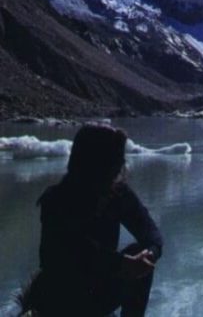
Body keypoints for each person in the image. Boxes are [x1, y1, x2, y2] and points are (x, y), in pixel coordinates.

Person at [22, 124, 162, 316]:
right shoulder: (57, 200)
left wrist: (149, 254)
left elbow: (150, 232)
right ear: (97, 162)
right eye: (115, 161)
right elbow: (72, 254)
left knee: (140, 254)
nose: (121, 166)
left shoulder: (118, 194)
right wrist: (121, 264)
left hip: (99, 287)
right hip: (62, 295)